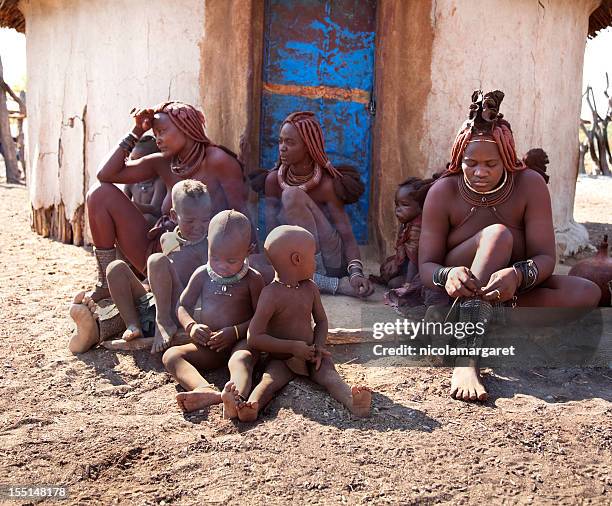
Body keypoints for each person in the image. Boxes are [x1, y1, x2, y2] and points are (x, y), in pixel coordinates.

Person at [418, 90, 601, 402]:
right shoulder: (443, 191)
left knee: (587, 292)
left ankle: (483, 320)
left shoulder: (530, 185)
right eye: (470, 162)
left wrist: (517, 276)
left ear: (507, 158)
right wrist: (447, 276)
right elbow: (426, 266)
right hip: (459, 290)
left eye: (491, 163)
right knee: (499, 236)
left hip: (506, 289)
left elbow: (546, 258)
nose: (479, 172)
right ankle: (466, 358)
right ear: (459, 158)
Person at [84, 101, 251, 302]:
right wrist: (136, 130)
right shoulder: (164, 162)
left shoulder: (218, 161)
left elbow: (242, 215)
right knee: (99, 194)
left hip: (204, 260)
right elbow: (105, 174)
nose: (158, 139)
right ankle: (105, 283)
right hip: (159, 255)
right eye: (155, 134)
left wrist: (243, 265)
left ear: (185, 128)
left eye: (162, 131)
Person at [232, 225, 372, 422]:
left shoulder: (310, 288)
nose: (316, 262)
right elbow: (254, 337)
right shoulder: (271, 294)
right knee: (269, 382)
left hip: (311, 356)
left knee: (330, 377)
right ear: (297, 259)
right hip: (282, 358)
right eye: (313, 257)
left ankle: (353, 402)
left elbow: (321, 321)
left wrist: (319, 346)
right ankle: (252, 406)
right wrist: (292, 347)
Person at [251, 111, 373, 298]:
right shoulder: (272, 181)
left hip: (327, 259)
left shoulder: (325, 184)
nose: (282, 148)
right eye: (280, 141)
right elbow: (271, 236)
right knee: (250, 265)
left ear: (308, 147)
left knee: (292, 195)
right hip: (293, 256)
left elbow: (347, 237)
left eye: (290, 143)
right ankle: (337, 286)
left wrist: (356, 273)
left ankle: (310, 276)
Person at [162, 210, 264, 414]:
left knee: (240, 360)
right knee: (171, 356)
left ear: (249, 251)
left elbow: (261, 320)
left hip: (241, 342)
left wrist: (235, 332)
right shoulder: (202, 274)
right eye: (214, 257)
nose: (221, 266)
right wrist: (192, 327)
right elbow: (182, 306)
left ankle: (236, 400)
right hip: (211, 345)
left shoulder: (253, 280)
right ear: (208, 244)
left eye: (231, 261)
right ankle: (204, 389)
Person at [147, 179, 211, 353]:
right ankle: (162, 321)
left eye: (205, 220)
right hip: (170, 306)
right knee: (156, 260)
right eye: (190, 221)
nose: (198, 226)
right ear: (174, 216)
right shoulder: (167, 240)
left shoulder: (211, 243)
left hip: (196, 311)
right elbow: (161, 277)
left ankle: (166, 323)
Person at [122, 135, 166, 230]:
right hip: (133, 220)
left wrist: (134, 206)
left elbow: (156, 209)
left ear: (154, 162)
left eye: (139, 160)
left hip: (153, 223)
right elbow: (123, 202)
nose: (134, 164)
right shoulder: (131, 181)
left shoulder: (159, 181)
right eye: (132, 159)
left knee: (147, 218)